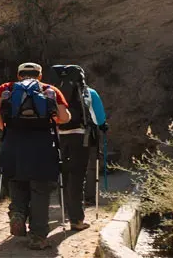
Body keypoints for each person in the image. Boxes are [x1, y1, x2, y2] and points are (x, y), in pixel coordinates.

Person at [0, 62, 71, 250]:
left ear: (19, 76)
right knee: (41, 191)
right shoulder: (50, 90)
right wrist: (51, 120)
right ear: (39, 76)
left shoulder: (5, 88)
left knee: (17, 182)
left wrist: (6, 128)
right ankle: (38, 237)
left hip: (14, 145)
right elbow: (65, 117)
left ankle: (17, 212)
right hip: (43, 147)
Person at [52, 65, 109, 229]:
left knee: (63, 175)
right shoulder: (89, 93)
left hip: (57, 137)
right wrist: (103, 126)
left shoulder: (52, 92)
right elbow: (99, 119)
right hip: (80, 138)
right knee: (77, 176)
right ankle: (76, 220)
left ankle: (66, 212)